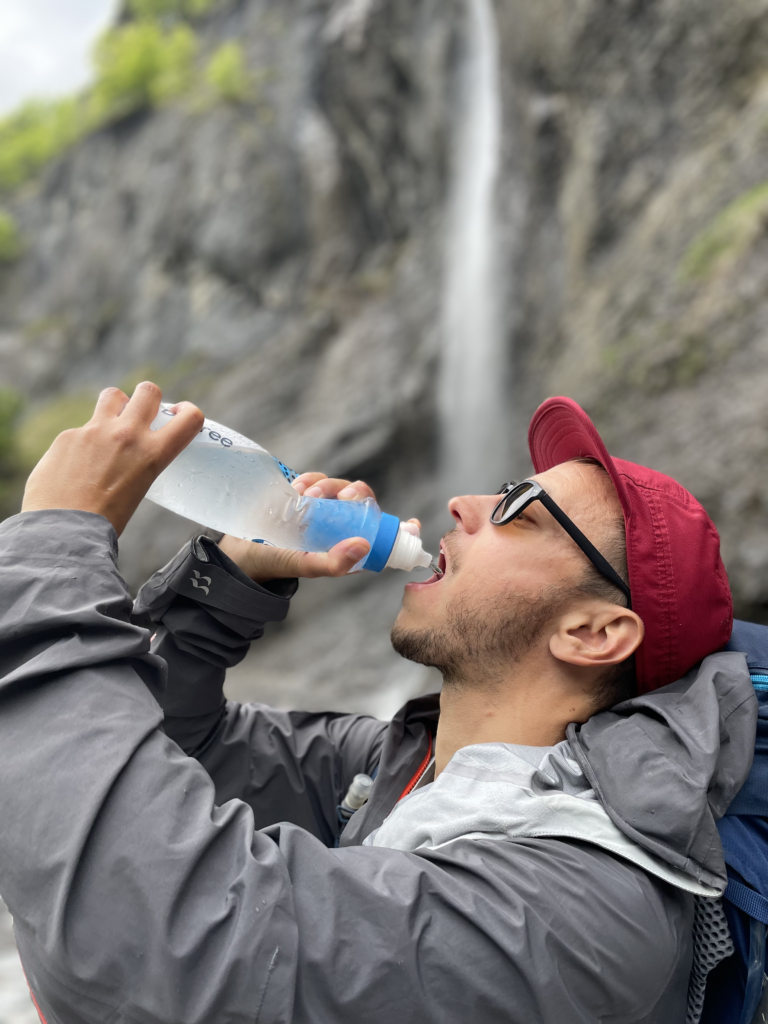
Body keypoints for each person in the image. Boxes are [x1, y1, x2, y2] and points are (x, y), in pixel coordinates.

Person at [0, 382, 757, 1024]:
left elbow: (147, 945)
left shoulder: (580, 913)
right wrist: (223, 592)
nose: (463, 503)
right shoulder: (407, 769)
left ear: (592, 633)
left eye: (517, 511)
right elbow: (171, 755)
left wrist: (54, 544)